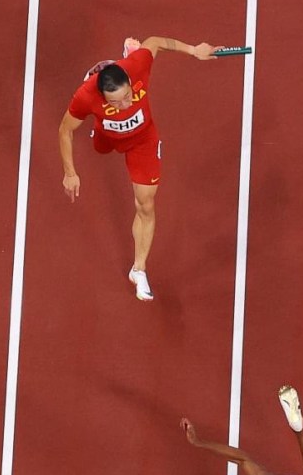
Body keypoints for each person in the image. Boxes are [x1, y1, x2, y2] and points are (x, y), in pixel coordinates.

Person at [59, 36, 217, 302]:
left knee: (146, 204)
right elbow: (65, 131)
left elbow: (155, 42)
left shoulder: (138, 67)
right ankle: (100, 89)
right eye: (116, 103)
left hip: (142, 141)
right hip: (107, 136)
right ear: (102, 96)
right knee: (100, 148)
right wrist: (70, 172)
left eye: (127, 96)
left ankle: (139, 269)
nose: (125, 105)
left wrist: (194, 50)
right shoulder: (86, 96)